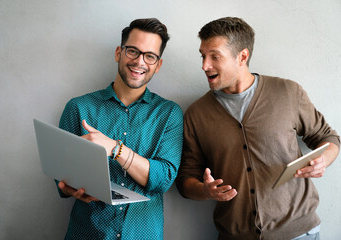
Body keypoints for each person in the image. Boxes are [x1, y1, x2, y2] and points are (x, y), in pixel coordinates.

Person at [176, 17, 340, 240]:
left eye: (214, 56)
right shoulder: (197, 114)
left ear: (242, 56)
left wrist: (323, 160)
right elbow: (186, 181)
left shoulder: (288, 92)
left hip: (300, 234)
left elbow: (328, 137)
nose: (205, 65)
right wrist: (205, 191)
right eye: (203, 56)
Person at [56, 18, 183, 240]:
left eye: (150, 56)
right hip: (87, 234)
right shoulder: (78, 107)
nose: (139, 61)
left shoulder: (169, 113)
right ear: (119, 53)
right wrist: (66, 187)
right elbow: (61, 178)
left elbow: (163, 179)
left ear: (158, 65)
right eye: (133, 51)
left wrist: (116, 149)